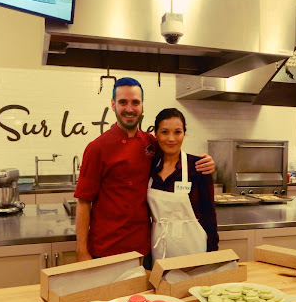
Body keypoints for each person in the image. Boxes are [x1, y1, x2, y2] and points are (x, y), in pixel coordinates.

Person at [74, 77, 214, 262]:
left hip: (143, 248)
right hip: (106, 247)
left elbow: (173, 150)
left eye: (135, 102)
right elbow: (84, 202)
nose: (129, 108)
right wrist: (82, 252)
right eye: (123, 102)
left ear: (142, 106)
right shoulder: (97, 148)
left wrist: (206, 161)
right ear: (113, 105)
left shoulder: (150, 144)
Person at [148, 108, 218, 263]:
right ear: (156, 134)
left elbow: (209, 213)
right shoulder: (150, 167)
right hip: (158, 247)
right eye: (165, 132)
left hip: (192, 247)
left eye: (177, 132)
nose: (171, 138)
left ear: (184, 134)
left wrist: (213, 252)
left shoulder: (198, 167)